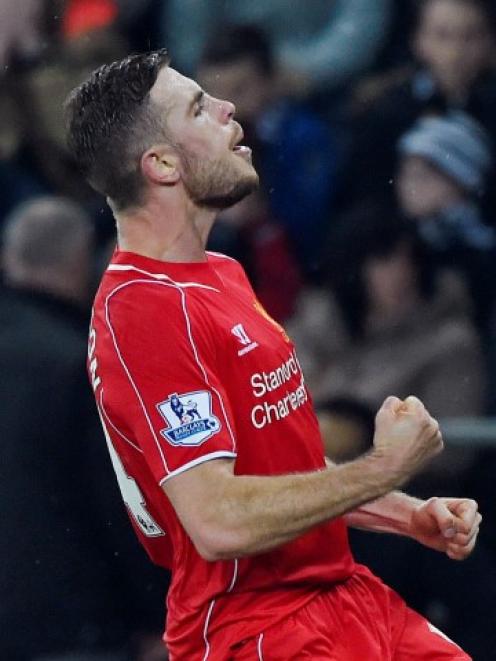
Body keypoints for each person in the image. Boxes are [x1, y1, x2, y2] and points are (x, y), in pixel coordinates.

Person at [65, 50, 481, 660]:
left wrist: (401, 513)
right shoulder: (143, 310)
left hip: (343, 594)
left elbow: (273, 475)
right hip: (259, 629)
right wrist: (385, 466)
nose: (229, 108)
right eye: (199, 107)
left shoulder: (221, 273)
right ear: (160, 164)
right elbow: (218, 521)